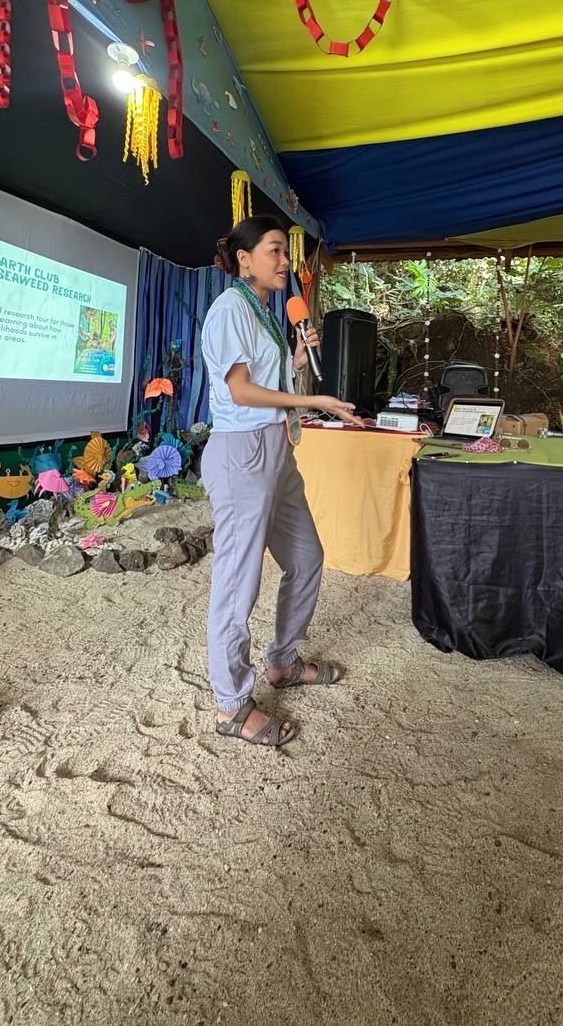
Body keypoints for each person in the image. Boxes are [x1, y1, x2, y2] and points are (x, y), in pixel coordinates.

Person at [200, 215, 358, 748]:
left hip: (277, 450)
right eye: (274, 251)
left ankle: (283, 663)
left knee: (307, 557)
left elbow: (268, 380)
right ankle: (229, 703)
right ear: (244, 258)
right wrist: (312, 400)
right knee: (238, 580)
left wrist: (297, 356)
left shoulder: (266, 314)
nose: (285, 262)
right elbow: (241, 392)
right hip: (242, 452)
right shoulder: (229, 308)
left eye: (285, 253)